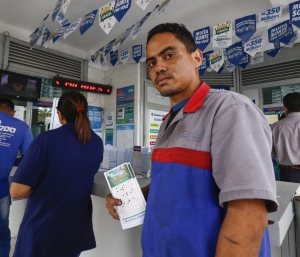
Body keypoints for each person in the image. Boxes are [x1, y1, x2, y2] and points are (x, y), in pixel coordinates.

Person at [106, 23, 278, 257]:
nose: (159, 67)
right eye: (152, 62)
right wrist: (130, 196)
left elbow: (248, 213)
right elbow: (172, 184)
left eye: (169, 55)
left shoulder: (230, 109)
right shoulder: (169, 121)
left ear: (197, 57)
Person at [10, 92, 104, 257]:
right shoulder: (96, 142)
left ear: (59, 114)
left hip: (43, 230)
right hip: (75, 231)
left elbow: (17, 191)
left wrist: (41, 185)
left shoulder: (46, 140)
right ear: (86, 113)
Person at [0, 98, 34, 257]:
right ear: (13, 113)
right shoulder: (21, 127)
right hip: (1, 190)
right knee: (2, 233)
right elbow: (31, 160)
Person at [271, 92, 300, 183]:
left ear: (285, 108)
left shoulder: (275, 126)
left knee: (291, 196)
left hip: (288, 172)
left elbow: (270, 153)